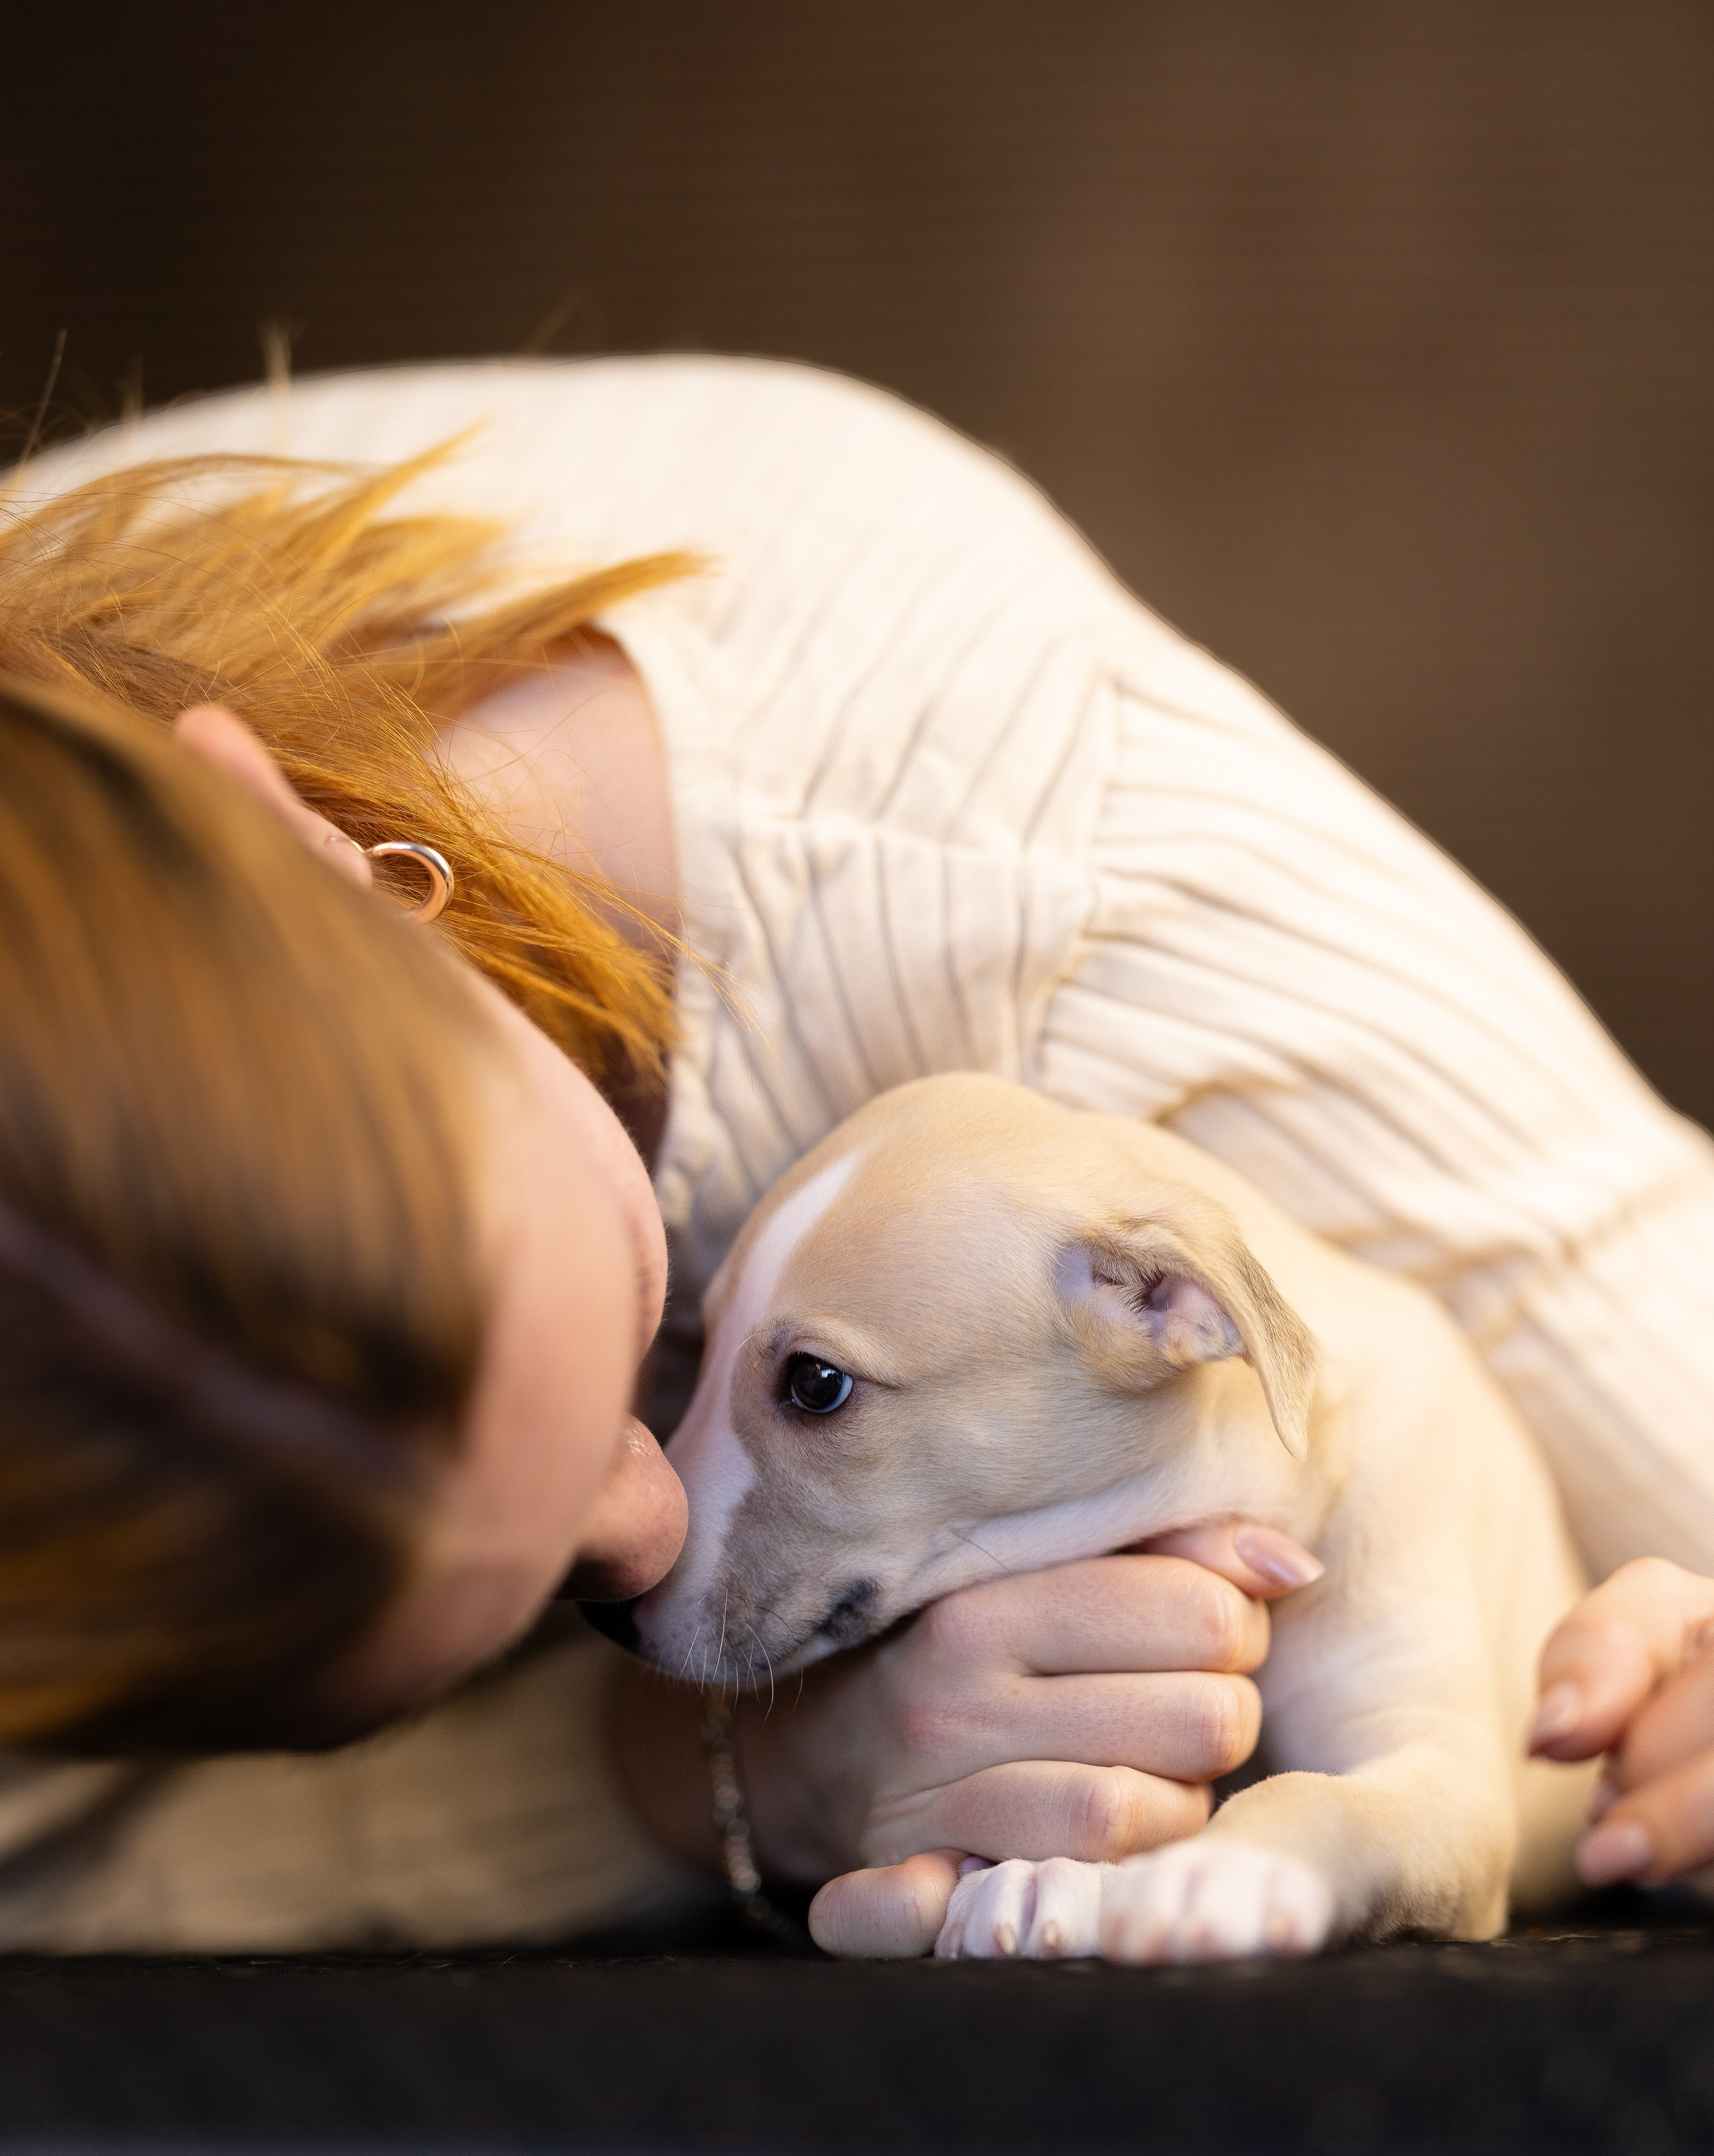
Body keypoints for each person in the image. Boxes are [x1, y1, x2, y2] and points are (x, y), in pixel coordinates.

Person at [0, 354, 1708, 1952]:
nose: (656, 1518)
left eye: (616, 1326)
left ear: (292, 848)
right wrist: (704, 1771)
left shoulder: (1060, 867)